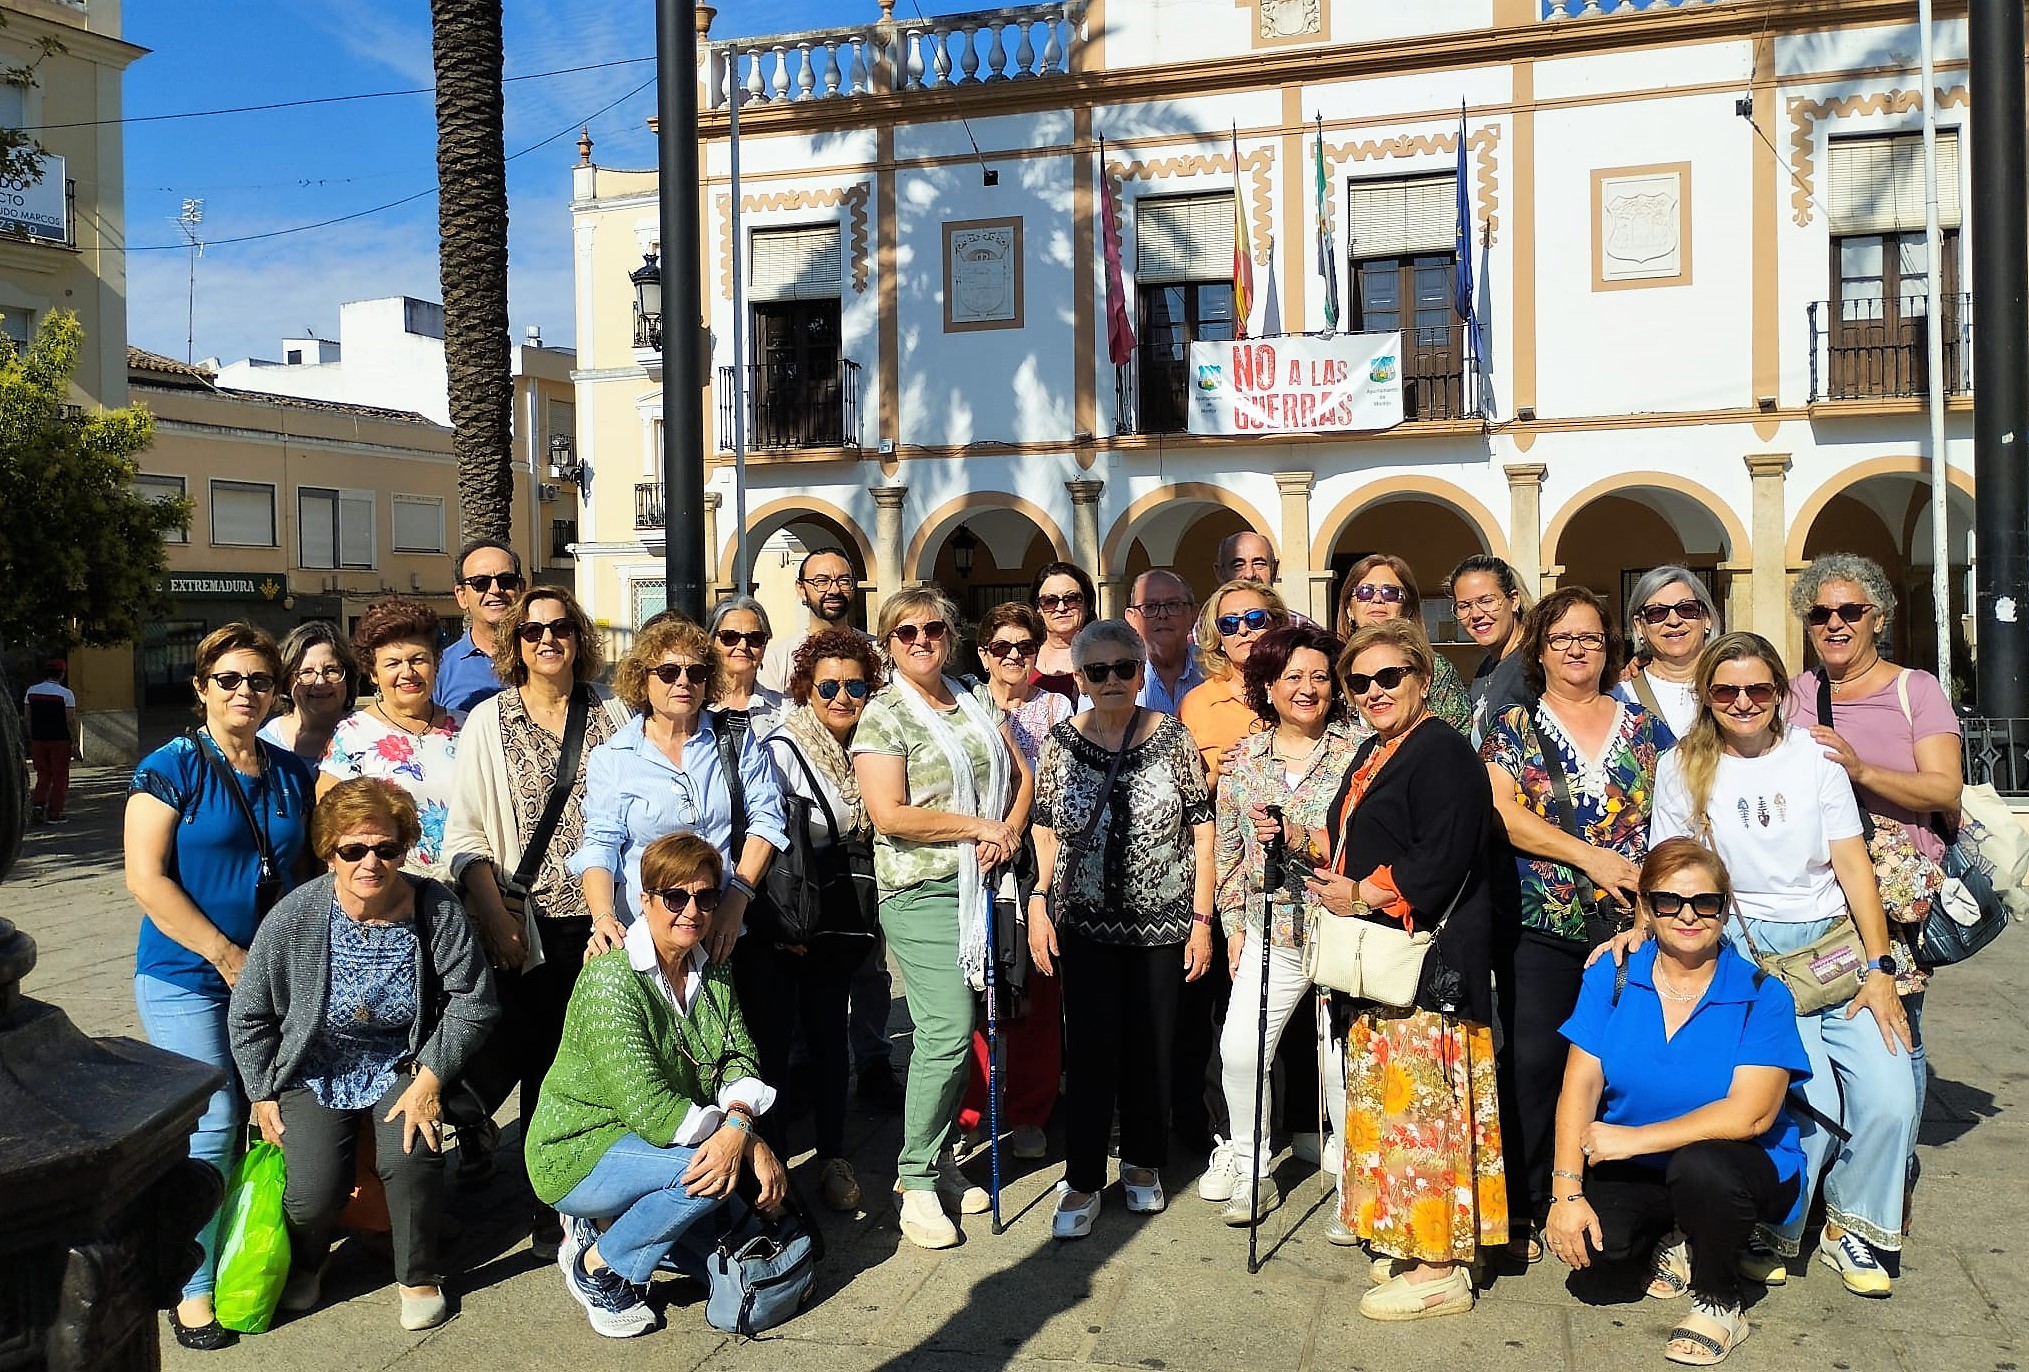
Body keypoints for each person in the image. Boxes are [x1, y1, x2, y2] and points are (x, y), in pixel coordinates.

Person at [1650, 632, 1916, 1296]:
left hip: (1832, 945)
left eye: (1757, 689)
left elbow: (1852, 865)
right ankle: (1773, 1224)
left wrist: (1880, 967)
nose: (1742, 701)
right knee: (1808, 1101)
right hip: (1747, 952)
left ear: (1779, 692)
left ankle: (1850, 1226)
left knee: (1891, 1089)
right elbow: (1673, 869)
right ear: (1706, 696)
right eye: (1725, 690)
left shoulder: (1813, 756)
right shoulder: (1679, 766)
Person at [228, 779, 497, 1333]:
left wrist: (432, 1075)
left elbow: (475, 1000)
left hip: (403, 1061)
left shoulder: (434, 907)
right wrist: (261, 1092)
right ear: (330, 853)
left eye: (386, 849)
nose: (371, 862)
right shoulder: (295, 915)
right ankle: (309, 1259)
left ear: (404, 849)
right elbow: (249, 1012)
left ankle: (417, 1274)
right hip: (316, 1064)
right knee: (312, 1190)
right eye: (353, 849)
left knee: (412, 1154)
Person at [124, 623, 317, 1350]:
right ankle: (191, 1285)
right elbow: (145, 879)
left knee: (273, 1117)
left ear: (276, 692)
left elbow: (309, 873)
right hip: (186, 976)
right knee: (211, 1124)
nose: (245, 692)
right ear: (202, 687)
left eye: (259, 681)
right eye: (229, 680)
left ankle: (250, 1240)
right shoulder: (172, 766)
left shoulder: (289, 771)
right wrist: (223, 953)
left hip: (271, 981)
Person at [1548, 838, 1810, 1366]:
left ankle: (1720, 1298)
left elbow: (1750, 1114)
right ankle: (1677, 1234)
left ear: (1725, 906)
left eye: (1705, 902)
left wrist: (1633, 1139)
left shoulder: (1762, 993)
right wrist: (1566, 1194)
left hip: (1733, 1161)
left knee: (1702, 1168)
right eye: (1669, 901)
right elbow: (1580, 1085)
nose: (1687, 915)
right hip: (1638, 1162)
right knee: (1602, 1264)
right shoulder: (1614, 976)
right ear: (1645, 907)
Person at [1313, 618, 1507, 1321]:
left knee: (1424, 1112)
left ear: (1422, 678)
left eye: (1388, 676)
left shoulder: (1443, 752)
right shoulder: (1377, 749)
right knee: (1396, 1107)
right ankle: (1410, 1234)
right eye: (1358, 682)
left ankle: (1439, 1268)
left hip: (1427, 964)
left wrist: (1363, 891)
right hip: (1384, 961)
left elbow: (1444, 851)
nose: (1373, 691)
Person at [526, 832, 788, 1340]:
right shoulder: (612, 980)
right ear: (644, 900)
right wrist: (747, 1142)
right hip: (579, 1147)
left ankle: (612, 1224)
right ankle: (597, 1263)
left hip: (655, 1140)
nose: (691, 911)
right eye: (675, 897)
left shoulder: (710, 967)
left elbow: (740, 1054)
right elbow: (653, 1111)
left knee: (721, 1213)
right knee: (714, 1175)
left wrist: (738, 1121)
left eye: (706, 897)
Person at [444, 585, 629, 1251]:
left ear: (579, 637)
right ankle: (551, 1201)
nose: (546, 640)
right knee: (544, 1066)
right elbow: (463, 838)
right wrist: (495, 919)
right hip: (533, 923)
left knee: (608, 1060)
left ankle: (603, 1189)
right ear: (513, 646)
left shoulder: (612, 709)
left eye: (560, 628)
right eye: (531, 631)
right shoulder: (489, 722)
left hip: (612, 919)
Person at [1481, 586, 1664, 1260]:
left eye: (1588, 637)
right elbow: (1501, 811)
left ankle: (1617, 1192)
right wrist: (1593, 858)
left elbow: (1673, 815)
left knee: (1625, 1063)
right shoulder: (1511, 726)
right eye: (1561, 639)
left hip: (1634, 925)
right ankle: (1529, 1204)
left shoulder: (1643, 727)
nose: (1576, 649)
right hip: (1540, 920)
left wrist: (1649, 901)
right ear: (1540, 649)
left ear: (1607, 645)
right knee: (1534, 1060)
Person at [852, 586, 1034, 1250]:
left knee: (964, 1032)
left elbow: (1021, 776)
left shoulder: (972, 693)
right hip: (920, 891)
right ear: (888, 643)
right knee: (947, 1032)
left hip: (981, 882)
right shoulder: (882, 714)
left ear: (950, 636)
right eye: (905, 632)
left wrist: (1006, 834)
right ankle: (914, 1180)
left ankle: (933, 1159)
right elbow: (890, 814)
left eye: (932, 627)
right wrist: (976, 827)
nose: (921, 638)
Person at [1028, 620, 1215, 1239]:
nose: (1111, 681)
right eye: (1097, 671)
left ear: (1139, 671)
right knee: (1088, 1053)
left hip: (1162, 925)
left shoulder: (1174, 738)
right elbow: (1048, 826)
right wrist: (1038, 902)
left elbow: (1201, 827)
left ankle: (1141, 1163)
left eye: (1122, 669)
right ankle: (1082, 1177)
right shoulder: (1060, 743)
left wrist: (1202, 919)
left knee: (1151, 1050)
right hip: (1084, 924)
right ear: (1079, 678)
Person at [1785, 551, 1961, 1169]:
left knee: (1896, 1030)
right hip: (1821, 890)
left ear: (1877, 617)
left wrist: (1861, 770)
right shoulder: (1797, 693)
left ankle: (1894, 1172)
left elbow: (1944, 789)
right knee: (1834, 1022)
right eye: (1819, 614)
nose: (1834, 624)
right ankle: (1841, 1166)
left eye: (1849, 611)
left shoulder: (1914, 689)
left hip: (1893, 890)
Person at [1203, 624, 1360, 1228]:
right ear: (1267, 686)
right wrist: (1236, 925)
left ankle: (1352, 1181)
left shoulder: (1359, 752)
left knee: (1341, 1062)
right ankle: (1252, 1165)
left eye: (1320, 676)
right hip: (1275, 930)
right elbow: (1230, 852)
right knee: (1240, 1051)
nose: (1308, 688)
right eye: (1293, 676)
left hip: (1345, 929)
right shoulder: (1245, 759)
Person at [754, 629, 886, 1211]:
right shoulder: (786, 747)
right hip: (790, 918)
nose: (841, 696)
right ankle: (775, 1167)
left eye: (855, 684)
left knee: (831, 1038)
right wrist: (781, 924)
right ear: (805, 689)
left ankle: (833, 1156)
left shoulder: (873, 744)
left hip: (841, 918)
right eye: (827, 685)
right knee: (779, 1044)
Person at [573, 615, 787, 958]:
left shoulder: (736, 739)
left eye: (696, 673)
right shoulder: (612, 757)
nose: (684, 682)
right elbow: (601, 844)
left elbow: (768, 821)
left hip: (725, 927)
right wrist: (603, 918)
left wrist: (736, 899)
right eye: (669, 672)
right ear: (642, 680)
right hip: (647, 934)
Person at [960, 601, 1071, 1160]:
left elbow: (1053, 784)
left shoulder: (1055, 707)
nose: (1012, 657)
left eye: (1024, 648)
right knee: (976, 990)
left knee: (1035, 987)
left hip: (1036, 852)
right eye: (1000, 647)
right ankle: (972, 1112)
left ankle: (1029, 1110)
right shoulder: (961, 702)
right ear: (983, 653)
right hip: (971, 851)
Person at [319, 598, 462, 882]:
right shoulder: (353, 737)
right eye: (393, 663)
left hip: (472, 892)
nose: (407, 673)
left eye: (418, 659)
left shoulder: (469, 727)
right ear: (373, 673)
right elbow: (332, 832)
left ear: (436, 663)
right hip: (391, 892)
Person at [1335, 553, 1471, 735]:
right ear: (1349, 609)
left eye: (1390, 593)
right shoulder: (1330, 669)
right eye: (1365, 592)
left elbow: (1453, 741)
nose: (1377, 599)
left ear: (1407, 609)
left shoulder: (1436, 668)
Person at [1179, 579, 1292, 780]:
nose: (1242, 630)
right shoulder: (1196, 704)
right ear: (1219, 638)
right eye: (1228, 624)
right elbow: (1181, 793)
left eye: (1255, 619)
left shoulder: (1300, 690)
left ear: (1276, 625)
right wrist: (1216, 775)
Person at [1615, 566, 1719, 739]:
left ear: (1706, 618)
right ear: (1639, 626)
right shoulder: (1620, 696)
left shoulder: (1738, 689)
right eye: (1657, 612)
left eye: (1687, 608)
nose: (1674, 620)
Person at [435, 538, 526, 713]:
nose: (495, 590)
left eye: (506, 580)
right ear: (462, 596)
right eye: (480, 582)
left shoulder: (547, 658)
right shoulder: (439, 670)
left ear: (521, 588)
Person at [761, 548, 869, 692]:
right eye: (822, 581)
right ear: (801, 589)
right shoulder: (777, 660)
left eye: (843, 580)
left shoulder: (876, 650)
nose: (834, 590)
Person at [1449, 553, 1529, 746]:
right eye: (1464, 606)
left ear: (1514, 600)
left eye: (1486, 601)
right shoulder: (1485, 669)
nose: (1475, 614)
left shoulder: (1536, 662)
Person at [260, 622, 360, 764]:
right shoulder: (265, 744)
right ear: (287, 681)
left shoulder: (369, 736)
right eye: (306, 672)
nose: (320, 682)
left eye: (331, 670)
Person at [708, 594, 787, 738]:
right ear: (712, 641)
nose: (743, 646)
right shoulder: (695, 708)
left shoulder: (784, 710)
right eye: (730, 637)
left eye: (755, 638)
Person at [1127, 569, 1205, 714]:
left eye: (1173, 605)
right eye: (1150, 607)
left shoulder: (1216, 671)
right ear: (1132, 618)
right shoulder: (1114, 677)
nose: (1162, 615)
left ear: (1193, 614)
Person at [22, 657, 79, 823]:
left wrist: (31, 735)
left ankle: (38, 805)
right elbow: (70, 720)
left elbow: (27, 716)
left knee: (43, 774)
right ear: (62, 674)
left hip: (39, 740)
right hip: (60, 740)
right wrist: (75, 742)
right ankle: (55, 813)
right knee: (60, 777)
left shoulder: (31, 691)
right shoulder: (66, 694)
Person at [1031, 560, 1099, 693]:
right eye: (1050, 601)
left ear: (1088, 605)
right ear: (1038, 608)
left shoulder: (1105, 652)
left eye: (1072, 598)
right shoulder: (1024, 652)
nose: (1061, 608)